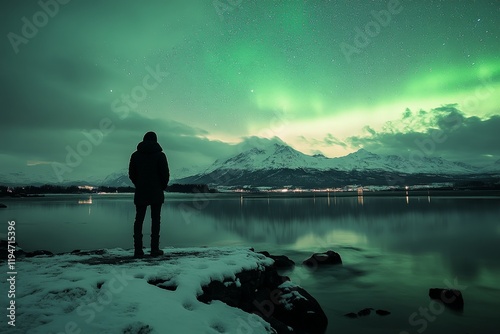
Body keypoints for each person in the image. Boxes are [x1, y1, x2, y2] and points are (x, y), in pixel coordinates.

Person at [128, 131, 170, 258]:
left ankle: (138, 250)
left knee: (138, 220)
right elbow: (165, 174)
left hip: (141, 192)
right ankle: (154, 249)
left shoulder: (135, 156)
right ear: (155, 140)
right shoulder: (160, 155)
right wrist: (161, 187)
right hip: (156, 192)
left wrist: (139, 184)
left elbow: (132, 174)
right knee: (156, 220)